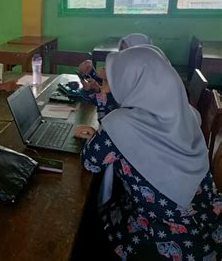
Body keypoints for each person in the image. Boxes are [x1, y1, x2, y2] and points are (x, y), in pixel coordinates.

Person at [75, 46, 221, 260]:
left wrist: (101, 136)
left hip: (163, 239)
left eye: (115, 79)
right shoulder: (187, 113)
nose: (111, 83)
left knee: (92, 221)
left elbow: (91, 163)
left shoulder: (120, 124)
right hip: (206, 223)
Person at [78, 33, 153, 119]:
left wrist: (100, 90)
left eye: (128, 52)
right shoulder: (123, 72)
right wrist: (94, 85)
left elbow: (111, 108)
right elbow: (102, 101)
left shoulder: (139, 85)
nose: (121, 56)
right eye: (121, 51)